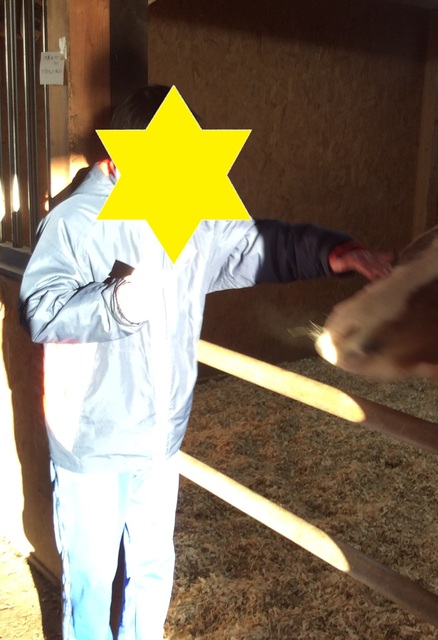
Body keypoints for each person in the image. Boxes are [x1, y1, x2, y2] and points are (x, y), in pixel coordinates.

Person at [18, 84, 392, 640]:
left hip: (160, 437)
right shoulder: (74, 223)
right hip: (93, 442)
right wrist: (115, 304)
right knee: (91, 583)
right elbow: (41, 309)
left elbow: (252, 244)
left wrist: (329, 252)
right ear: (121, 156)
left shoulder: (186, 212)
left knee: (151, 569)